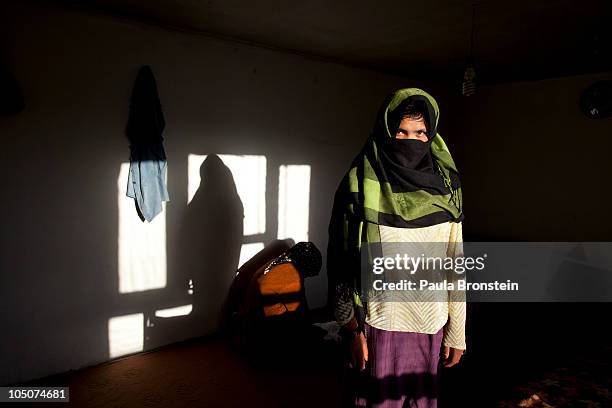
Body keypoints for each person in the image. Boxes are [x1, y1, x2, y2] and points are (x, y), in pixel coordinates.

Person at [327, 88, 466, 408]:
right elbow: (342, 263)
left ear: (431, 136)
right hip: (378, 326)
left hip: (430, 325)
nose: (410, 140)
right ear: (386, 130)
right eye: (401, 131)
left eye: (420, 133)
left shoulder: (446, 189)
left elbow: (454, 268)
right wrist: (350, 330)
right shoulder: (360, 183)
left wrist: (457, 332)